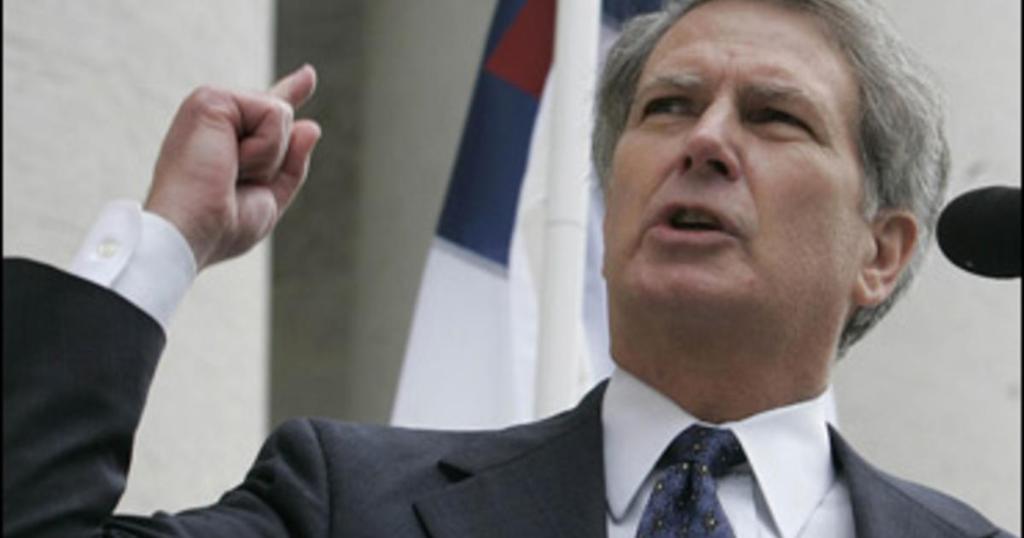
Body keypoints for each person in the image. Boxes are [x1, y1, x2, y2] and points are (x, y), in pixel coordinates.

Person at [2, 0, 1013, 536]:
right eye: (667, 107)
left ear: (880, 252)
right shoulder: (351, 504)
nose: (703, 141)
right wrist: (163, 245)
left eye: (773, 116)